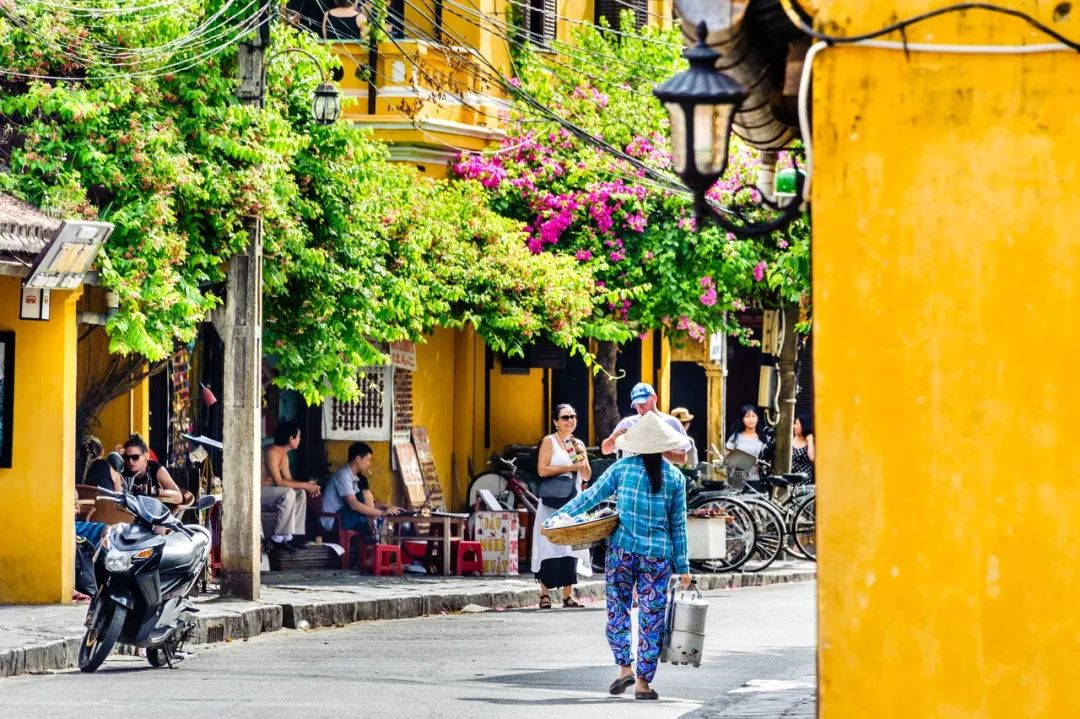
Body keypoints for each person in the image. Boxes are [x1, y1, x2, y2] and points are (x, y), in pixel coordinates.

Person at [549, 412, 691, 701]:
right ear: (664, 446)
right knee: (651, 617)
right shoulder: (675, 477)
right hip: (658, 557)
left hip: (623, 551)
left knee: (618, 609)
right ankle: (643, 683)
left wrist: (559, 517)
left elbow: (591, 497)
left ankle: (624, 667)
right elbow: (679, 525)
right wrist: (684, 566)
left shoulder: (623, 468)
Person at [532, 403, 593, 609]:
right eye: (565, 417)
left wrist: (580, 456)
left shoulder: (577, 444)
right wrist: (569, 467)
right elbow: (542, 470)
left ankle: (568, 594)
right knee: (548, 545)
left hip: (573, 501)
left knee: (570, 546)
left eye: (573, 417)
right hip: (552, 501)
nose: (570, 421)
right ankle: (544, 594)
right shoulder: (550, 441)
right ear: (555, 422)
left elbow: (586, 476)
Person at [322, 441, 404, 547]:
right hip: (332, 520)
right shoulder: (343, 476)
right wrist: (381, 513)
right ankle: (376, 549)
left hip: (343, 515)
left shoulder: (353, 477)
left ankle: (377, 545)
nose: (369, 464)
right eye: (368, 460)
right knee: (373, 521)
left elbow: (365, 503)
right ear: (358, 459)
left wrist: (389, 507)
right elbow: (354, 504)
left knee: (374, 517)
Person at [262, 421, 319, 552]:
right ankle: (278, 537)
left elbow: (288, 480)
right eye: (298, 437)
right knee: (288, 493)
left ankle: (291, 536)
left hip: (269, 494)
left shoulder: (284, 456)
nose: (300, 440)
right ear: (290, 439)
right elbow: (279, 482)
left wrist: (308, 487)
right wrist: (305, 485)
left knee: (300, 493)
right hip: (259, 493)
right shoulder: (272, 452)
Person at [600, 382, 690, 465]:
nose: (640, 408)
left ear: (654, 398)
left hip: (660, 478)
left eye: (643, 402)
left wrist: (658, 448)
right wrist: (613, 439)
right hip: (632, 478)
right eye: (636, 405)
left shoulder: (672, 423)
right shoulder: (627, 423)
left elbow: (682, 459)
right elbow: (605, 450)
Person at [122, 434, 183, 505]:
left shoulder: (156, 469)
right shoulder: (122, 468)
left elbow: (179, 496)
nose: (130, 461)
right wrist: (116, 460)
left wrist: (155, 491)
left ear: (146, 456)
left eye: (135, 457)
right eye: (127, 457)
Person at [725, 404, 766, 480]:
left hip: (757, 479)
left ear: (757, 418)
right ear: (742, 419)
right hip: (737, 479)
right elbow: (726, 456)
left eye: (753, 416)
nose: (751, 419)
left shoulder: (763, 437)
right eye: (747, 416)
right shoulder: (736, 437)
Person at [792, 414, 815, 480]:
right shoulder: (791, 440)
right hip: (791, 483)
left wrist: (809, 440)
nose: (794, 426)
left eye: (797, 424)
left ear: (804, 425)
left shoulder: (811, 441)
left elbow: (812, 458)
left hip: (805, 485)